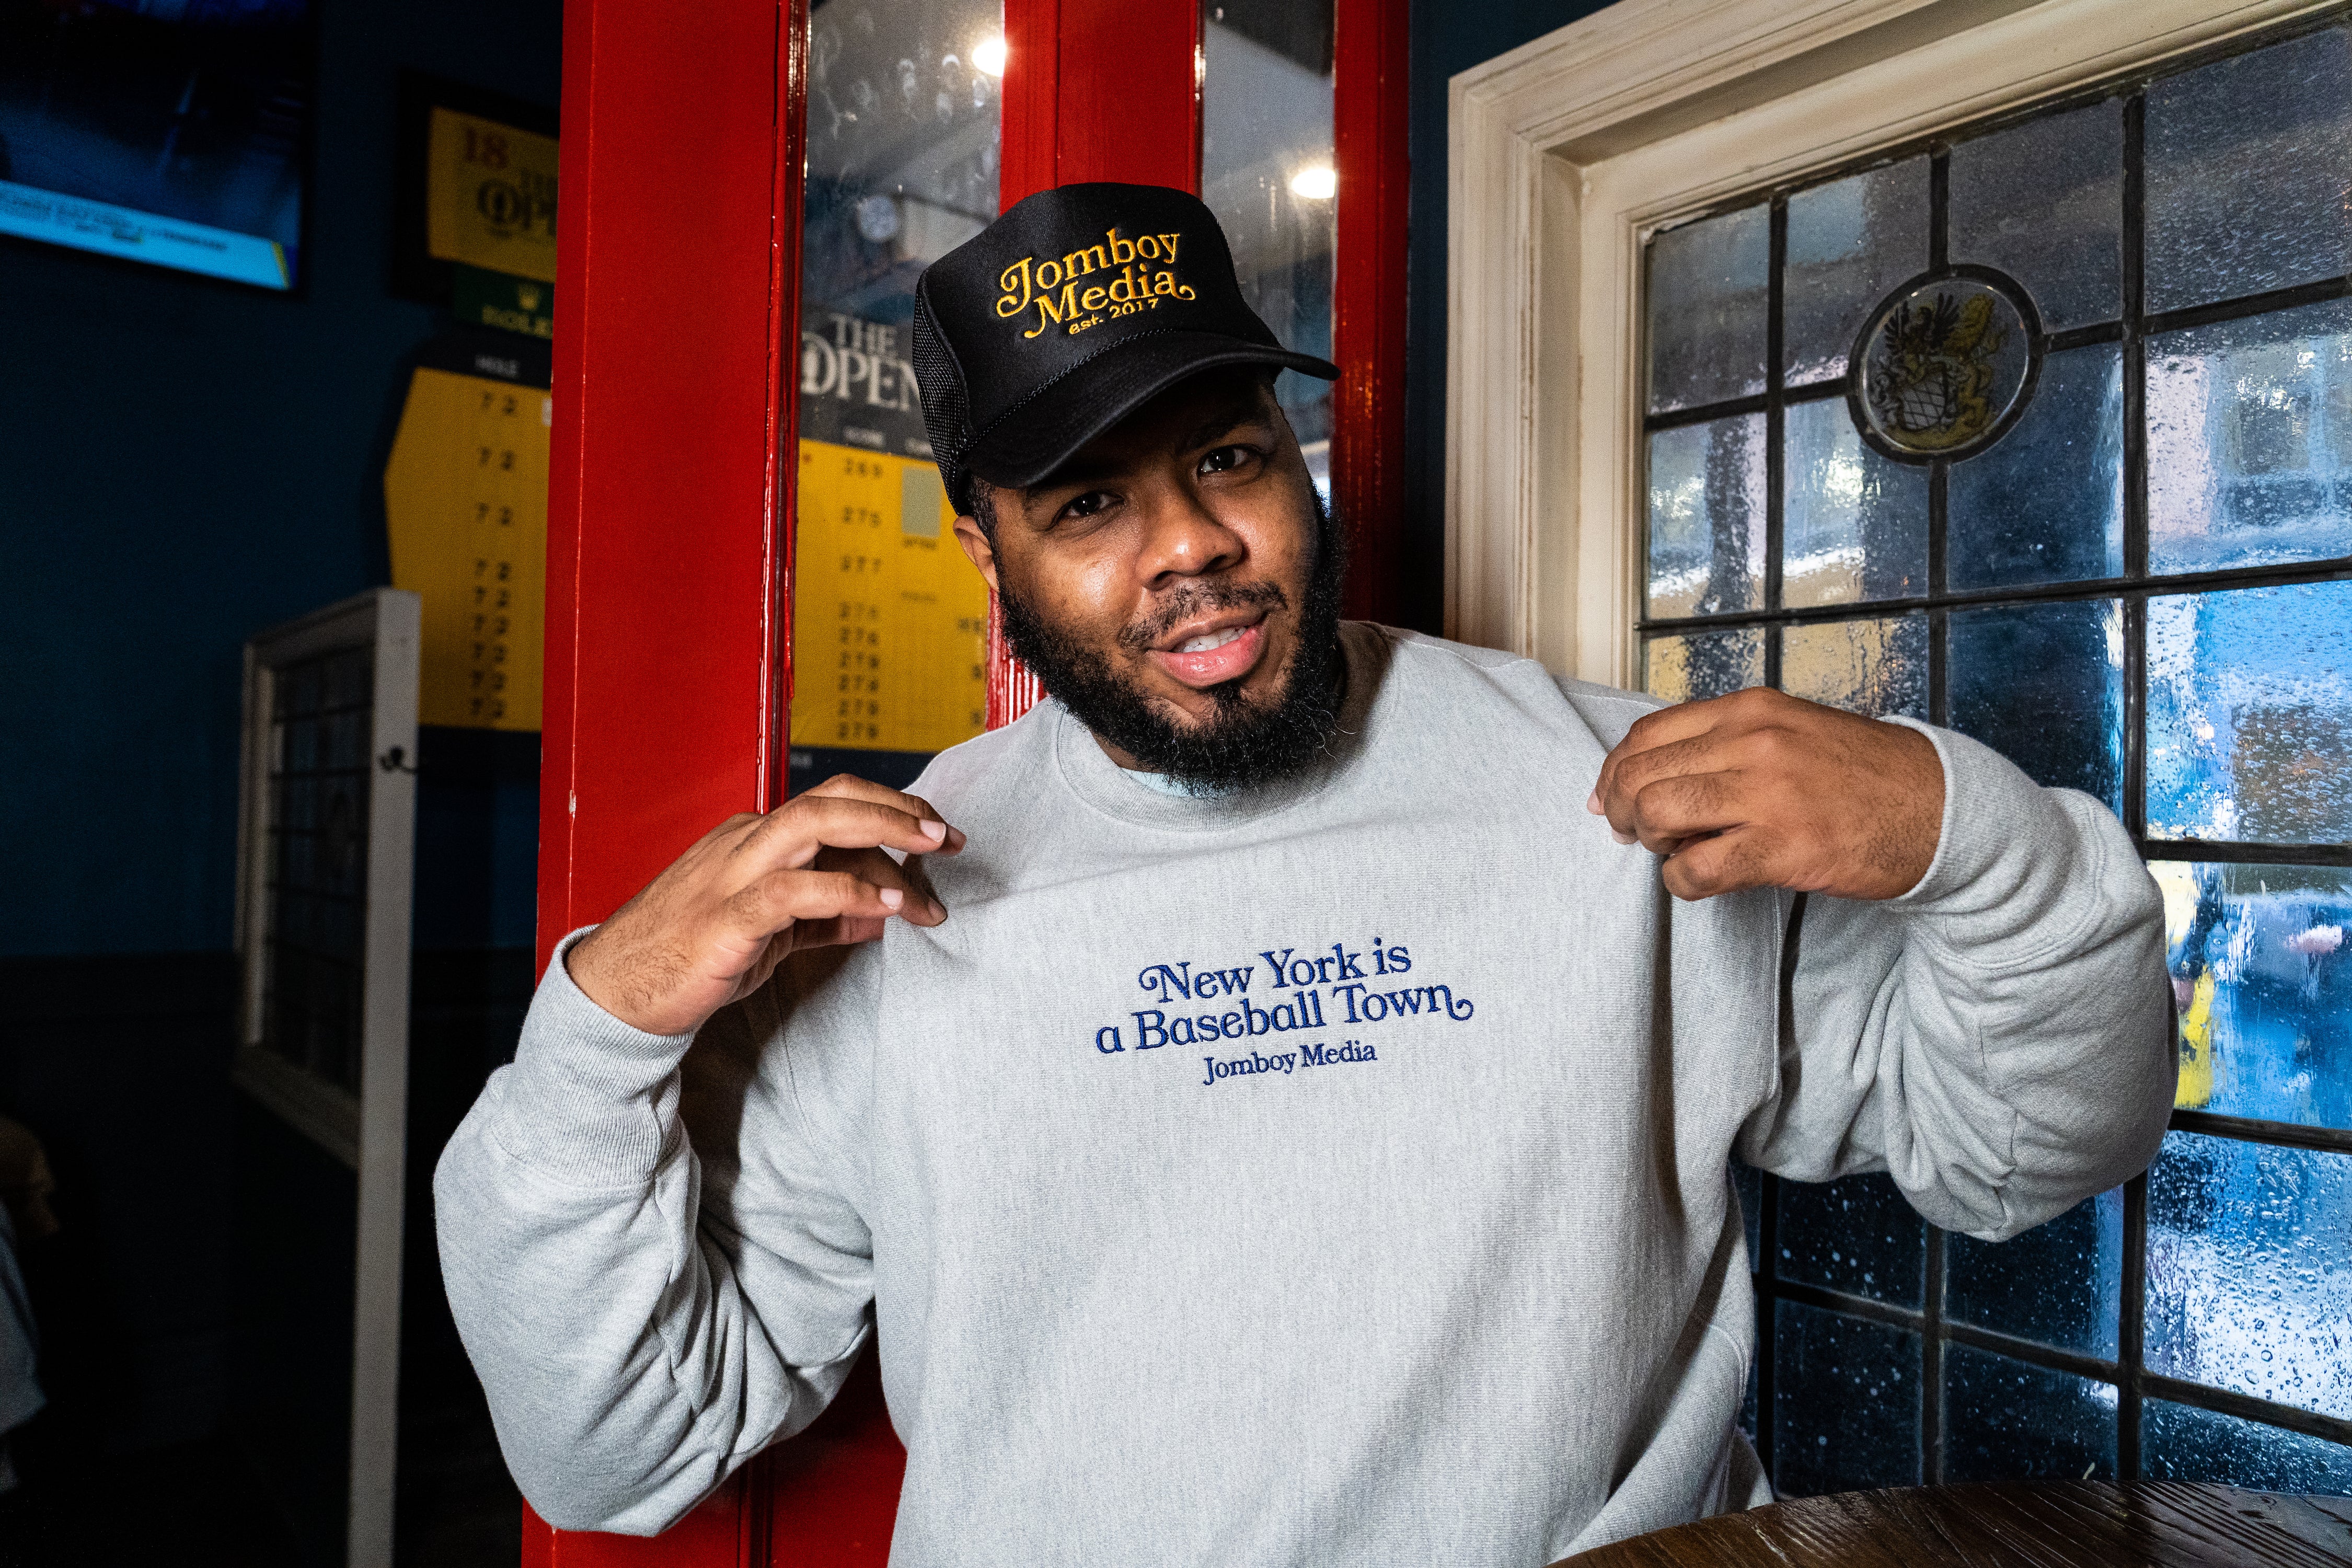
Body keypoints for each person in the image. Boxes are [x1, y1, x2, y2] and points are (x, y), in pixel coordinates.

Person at [435, 183, 2174, 1563]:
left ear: (1290, 453)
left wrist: (1972, 839)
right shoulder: (891, 907)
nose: (1188, 543)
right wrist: (597, 1030)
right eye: (1087, 505)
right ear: (987, 553)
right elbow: (614, 1454)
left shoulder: (1612, 782)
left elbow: (2031, 1155)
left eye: (1223, 459)